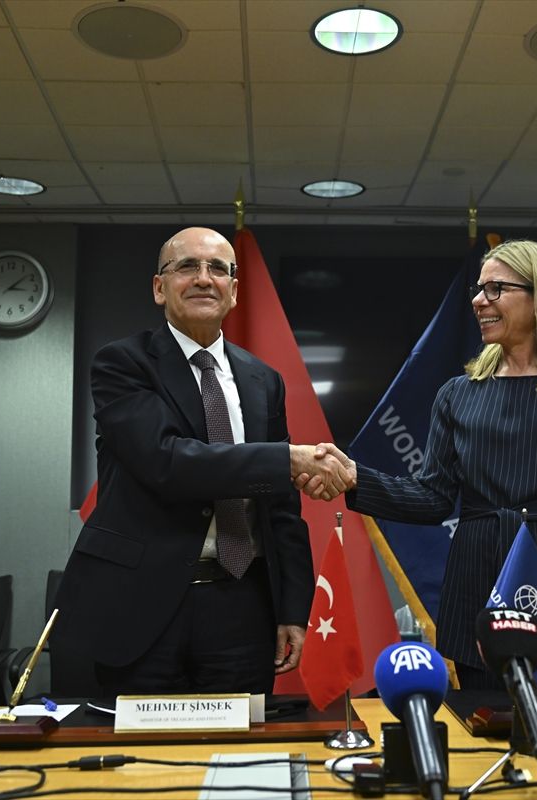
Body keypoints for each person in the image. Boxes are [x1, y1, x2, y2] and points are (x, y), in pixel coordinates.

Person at [301, 239, 537, 689]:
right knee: (486, 721)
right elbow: (433, 498)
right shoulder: (456, 394)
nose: (478, 300)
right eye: (478, 289)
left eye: (496, 289)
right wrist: (356, 477)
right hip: (478, 585)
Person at [53, 227, 352, 696]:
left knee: (239, 741)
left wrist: (294, 609)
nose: (203, 278)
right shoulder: (122, 364)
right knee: (142, 745)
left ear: (234, 291)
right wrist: (286, 459)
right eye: (187, 266)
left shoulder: (264, 380)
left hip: (242, 608)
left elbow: (281, 509)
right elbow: (167, 461)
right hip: (140, 606)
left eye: (218, 269)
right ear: (159, 287)